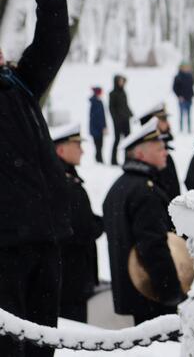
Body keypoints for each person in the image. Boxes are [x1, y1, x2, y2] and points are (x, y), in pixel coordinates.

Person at [0, 0, 70, 357]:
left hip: (44, 239)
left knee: (43, 348)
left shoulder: (17, 85)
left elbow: (52, 44)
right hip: (4, 247)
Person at [103, 117, 186, 325]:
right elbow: (153, 246)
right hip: (153, 292)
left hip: (135, 291)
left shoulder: (120, 186)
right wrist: (171, 292)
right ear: (141, 154)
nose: (165, 152)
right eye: (159, 149)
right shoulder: (145, 191)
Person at [50, 124, 103, 323]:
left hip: (67, 275)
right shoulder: (66, 185)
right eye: (77, 145)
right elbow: (80, 229)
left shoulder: (63, 180)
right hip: (71, 277)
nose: (82, 150)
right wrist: (99, 224)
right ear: (60, 150)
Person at [138, 103, 181, 202]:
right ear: (151, 123)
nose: (169, 125)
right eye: (163, 120)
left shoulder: (163, 155)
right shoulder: (152, 159)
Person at [109, 74, 132, 166]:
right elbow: (111, 108)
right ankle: (113, 160)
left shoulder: (124, 93)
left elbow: (126, 106)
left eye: (123, 81)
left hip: (126, 120)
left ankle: (128, 159)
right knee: (117, 140)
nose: (122, 83)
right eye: (120, 81)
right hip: (118, 122)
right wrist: (116, 119)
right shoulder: (112, 94)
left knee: (128, 140)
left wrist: (131, 114)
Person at [172, 63, 194, 133]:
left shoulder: (190, 76)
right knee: (181, 115)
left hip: (189, 99)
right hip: (182, 100)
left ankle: (189, 129)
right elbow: (174, 88)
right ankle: (181, 130)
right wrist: (179, 96)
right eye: (185, 67)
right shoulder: (178, 77)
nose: (186, 68)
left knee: (189, 115)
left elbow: (191, 87)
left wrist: (192, 94)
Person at [89, 86, 106, 163]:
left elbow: (102, 116)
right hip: (96, 128)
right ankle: (99, 159)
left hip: (99, 128)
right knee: (98, 145)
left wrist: (104, 126)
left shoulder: (98, 102)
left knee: (100, 144)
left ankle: (99, 159)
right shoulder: (95, 103)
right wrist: (102, 127)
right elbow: (97, 117)